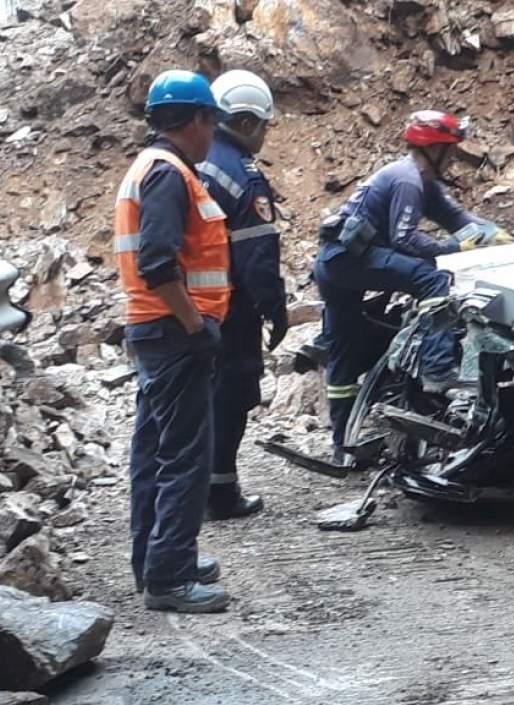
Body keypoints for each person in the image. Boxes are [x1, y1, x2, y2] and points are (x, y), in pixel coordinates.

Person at [313, 110, 510, 461]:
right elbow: (404, 238)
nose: (453, 159)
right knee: (433, 280)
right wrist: (452, 249)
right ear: (434, 149)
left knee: (344, 351)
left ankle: (343, 447)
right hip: (349, 261)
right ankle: (437, 368)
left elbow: (455, 218)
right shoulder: (408, 181)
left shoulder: (420, 182)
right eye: (450, 151)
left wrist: (492, 233)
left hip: (334, 264)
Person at [114, 70, 231, 613]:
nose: (214, 136)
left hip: (153, 330)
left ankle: (156, 560)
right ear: (199, 120)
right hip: (173, 332)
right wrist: (195, 325)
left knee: (153, 452)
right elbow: (158, 263)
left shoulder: (148, 167)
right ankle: (170, 577)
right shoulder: (169, 175)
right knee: (186, 457)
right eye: (212, 123)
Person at [197, 70, 286, 520]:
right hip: (230, 305)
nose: (265, 134)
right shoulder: (242, 175)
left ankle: (190, 488)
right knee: (232, 393)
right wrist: (275, 307)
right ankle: (220, 491)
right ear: (247, 122)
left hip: (188, 302)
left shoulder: (193, 160)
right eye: (264, 125)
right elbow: (257, 255)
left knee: (198, 396)